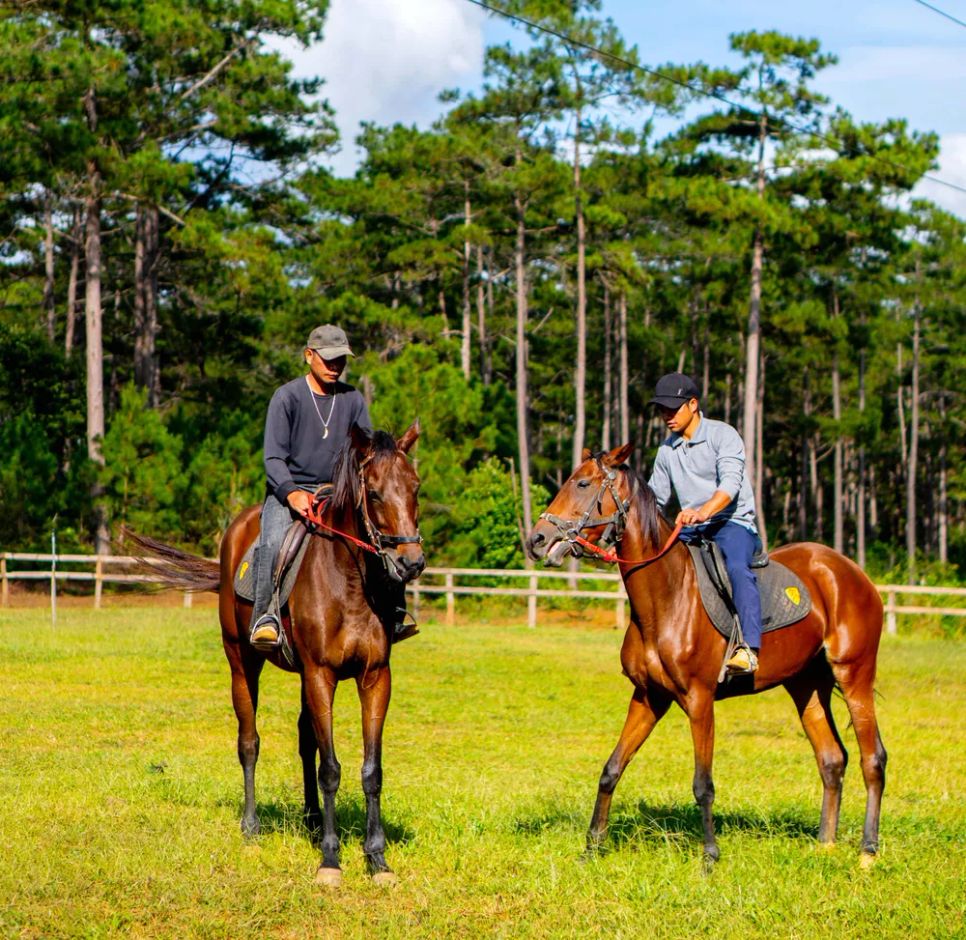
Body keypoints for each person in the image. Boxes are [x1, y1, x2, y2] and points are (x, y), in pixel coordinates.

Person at [249, 324, 372, 651]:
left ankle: (394, 613)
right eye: (328, 359)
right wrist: (291, 492)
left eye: (340, 360)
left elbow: (366, 452)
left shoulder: (353, 400)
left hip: (339, 496)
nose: (335, 366)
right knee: (272, 543)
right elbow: (273, 457)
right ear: (309, 355)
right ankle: (266, 616)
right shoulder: (286, 397)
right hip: (290, 492)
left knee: (381, 539)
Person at [646, 372, 763, 674]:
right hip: (692, 531)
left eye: (673, 408)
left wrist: (703, 511)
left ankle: (749, 648)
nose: (666, 415)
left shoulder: (723, 435)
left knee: (737, 568)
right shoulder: (665, 451)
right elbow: (653, 500)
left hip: (732, 523)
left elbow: (730, 485)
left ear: (693, 404)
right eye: (662, 409)